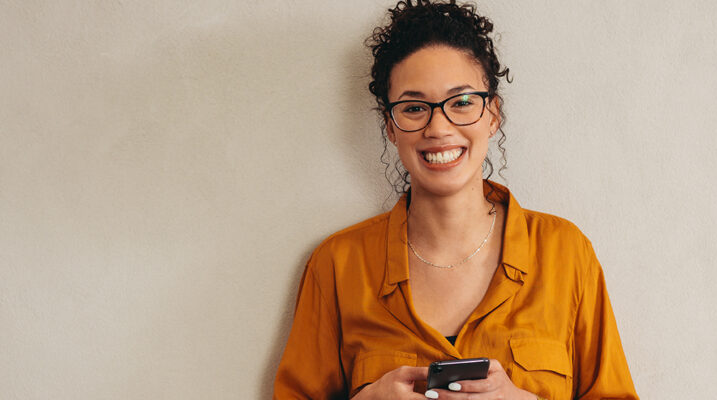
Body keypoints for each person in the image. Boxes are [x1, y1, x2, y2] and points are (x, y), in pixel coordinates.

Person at [273, 1, 638, 399]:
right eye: (414, 108)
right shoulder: (338, 265)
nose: (438, 127)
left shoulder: (566, 254)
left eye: (461, 102)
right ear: (391, 127)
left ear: (493, 114)